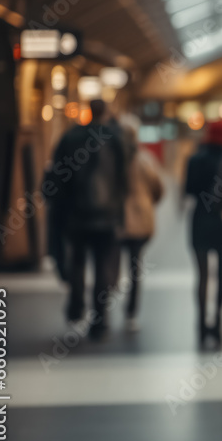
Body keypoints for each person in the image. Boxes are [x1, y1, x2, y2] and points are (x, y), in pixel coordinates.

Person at [48, 98, 127, 338]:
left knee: (77, 261)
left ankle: (76, 304)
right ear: (106, 112)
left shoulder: (71, 137)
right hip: (107, 215)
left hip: (75, 214)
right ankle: (100, 319)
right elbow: (124, 179)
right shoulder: (114, 138)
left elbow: (57, 174)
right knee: (103, 265)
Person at [185, 120, 222, 347]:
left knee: (202, 275)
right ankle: (219, 320)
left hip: (200, 220)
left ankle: (201, 324)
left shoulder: (196, 158)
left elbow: (189, 190)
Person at [118, 117, 164, 331]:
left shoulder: (111, 159)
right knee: (135, 267)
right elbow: (158, 188)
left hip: (115, 220)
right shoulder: (145, 160)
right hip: (140, 222)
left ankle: (101, 310)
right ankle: (131, 312)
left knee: (110, 264)